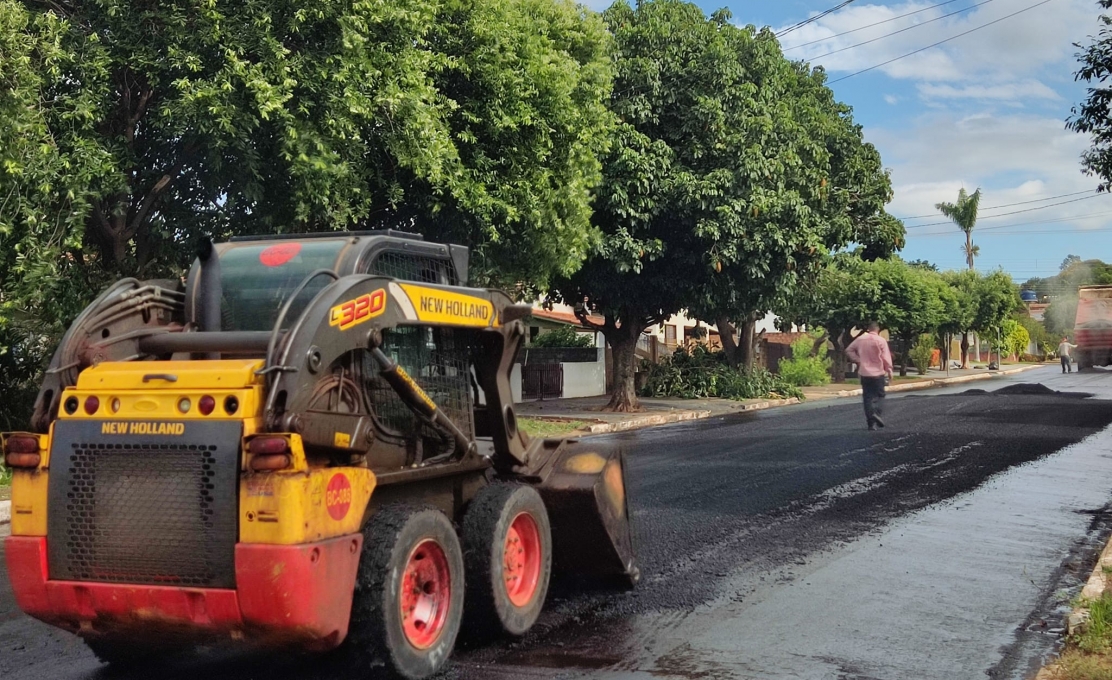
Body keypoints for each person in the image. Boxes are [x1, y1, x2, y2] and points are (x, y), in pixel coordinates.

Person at [845, 321, 894, 431]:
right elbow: (886, 357)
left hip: (864, 373)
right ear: (877, 330)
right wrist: (889, 369)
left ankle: (870, 424)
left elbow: (849, 350)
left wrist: (858, 360)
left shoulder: (860, 339)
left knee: (867, 397)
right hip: (878, 373)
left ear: (868, 329)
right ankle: (876, 413)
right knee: (880, 395)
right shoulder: (881, 340)